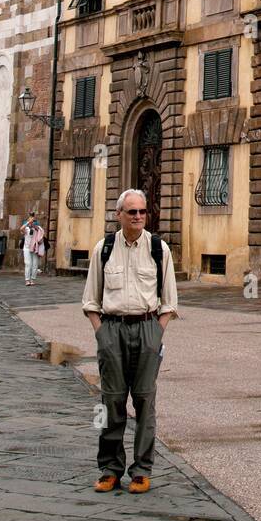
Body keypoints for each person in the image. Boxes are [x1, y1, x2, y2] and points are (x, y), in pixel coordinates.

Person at [82, 189, 178, 493]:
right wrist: (102, 335)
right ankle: (110, 469)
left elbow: (170, 301)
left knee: (145, 401)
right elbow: (90, 299)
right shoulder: (104, 248)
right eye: (132, 212)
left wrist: (156, 335)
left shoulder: (159, 249)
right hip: (112, 329)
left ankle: (141, 470)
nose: (138, 216)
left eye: (142, 212)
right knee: (111, 401)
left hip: (148, 328)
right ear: (119, 215)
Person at [20, 214, 45, 286]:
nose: (31, 221)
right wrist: (28, 223)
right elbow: (21, 229)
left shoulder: (37, 228)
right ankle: (27, 280)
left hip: (35, 248)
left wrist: (34, 225)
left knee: (35, 265)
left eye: (32, 220)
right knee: (28, 264)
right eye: (30, 219)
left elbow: (42, 233)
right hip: (27, 248)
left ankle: (32, 279)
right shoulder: (26, 229)